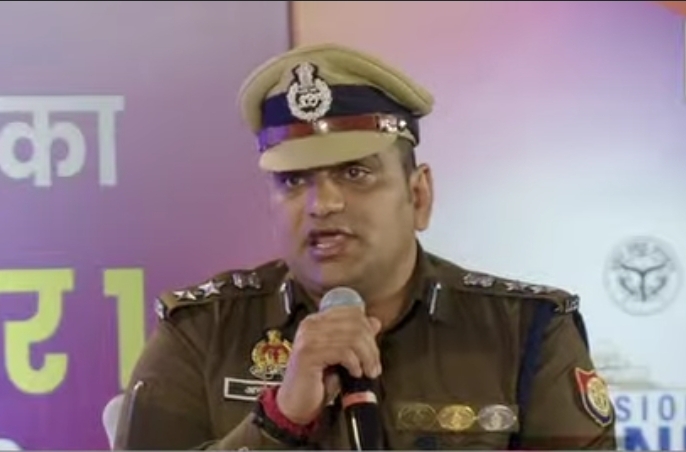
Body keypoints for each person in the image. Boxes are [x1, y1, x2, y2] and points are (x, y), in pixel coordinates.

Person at [114, 43, 617, 450]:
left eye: (355, 173)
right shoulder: (202, 331)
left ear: (418, 196)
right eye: (293, 181)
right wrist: (279, 422)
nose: (322, 204)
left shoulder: (525, 332)